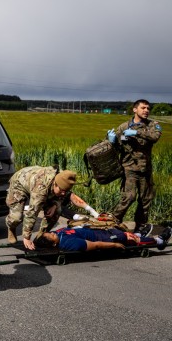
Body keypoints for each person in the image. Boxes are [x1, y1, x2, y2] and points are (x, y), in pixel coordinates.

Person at [107, 99, 162, 234]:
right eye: (143, 108)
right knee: (129, 197)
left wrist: (136, 132)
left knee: (145, 200)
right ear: (135, 109)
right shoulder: (123, 127)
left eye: (148, 108)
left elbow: (155, 137)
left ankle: (140, 227)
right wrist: (112, 141)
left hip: (145, 169)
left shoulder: (152, 125)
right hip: (129, 168)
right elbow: (115, 148)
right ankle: (113, 222)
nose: (146, 111)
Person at [5, 166, 77, 250]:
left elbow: (64, 195)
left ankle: (41, 237)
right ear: (55, 184)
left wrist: (55, 205)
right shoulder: (41, 188)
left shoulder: (63, 178)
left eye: (65, 191)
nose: (63, 193)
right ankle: (11, 227)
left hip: (38, 185)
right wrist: (26, 237)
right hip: (20, 184)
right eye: (61, 191)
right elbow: (32, 213)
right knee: (16, 217)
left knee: (57, 211)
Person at [35, 225, 171, 252]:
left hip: (97, 231)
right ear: (53, 244)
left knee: (118, 230)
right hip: (104, 238)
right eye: (52, 236)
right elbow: (96, 245)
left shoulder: (59, 234)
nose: (54, 233)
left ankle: (139, 235)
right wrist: (114, 245)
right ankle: (160, 241)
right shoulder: (70, 244)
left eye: (51, 233)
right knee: (124, 237)